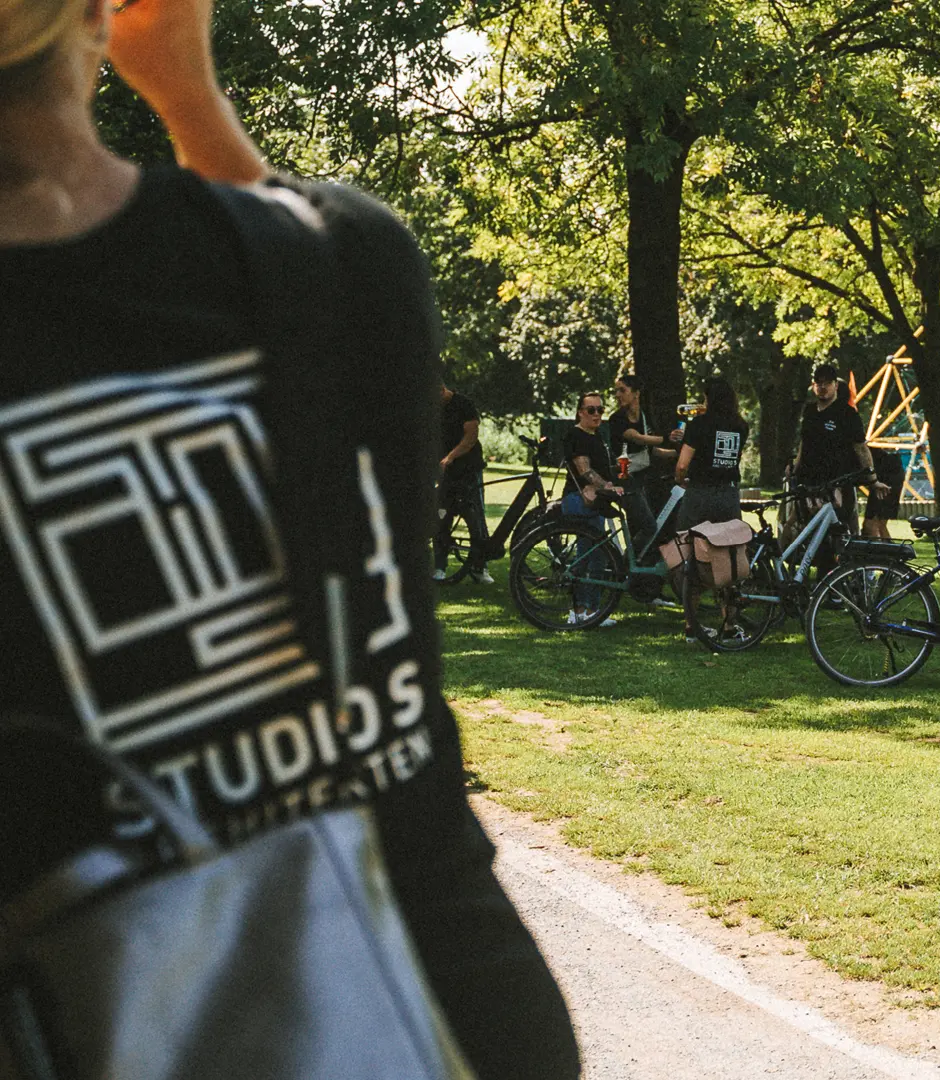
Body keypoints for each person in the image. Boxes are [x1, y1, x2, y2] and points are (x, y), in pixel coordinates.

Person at [0, 2, 579, 1077]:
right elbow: (269, 271)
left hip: (127, 1027)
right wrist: (186, 95)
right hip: (459, 1010)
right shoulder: (356, 260)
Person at [674, 376, 750, 641]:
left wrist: (680, 479)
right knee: (728, 557)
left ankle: (691, 624)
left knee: (689, 556)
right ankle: (728, 625)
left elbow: (683, 464)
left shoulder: (699, 425)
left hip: (700, 493)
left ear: (709, 398)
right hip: (728, 495)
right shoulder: (741, 426)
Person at [791, 363, 883, 528]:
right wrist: (794, 470)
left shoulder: (847, 414)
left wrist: (873, 480)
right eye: (818, 383)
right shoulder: (810, 411)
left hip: (837, 484)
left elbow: (861, 448)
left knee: (840, 530)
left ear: (836, 385)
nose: (822, 387)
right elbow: (803, 444)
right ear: (813, 386)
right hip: (809, 482)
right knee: (800, 526)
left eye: (827, 383)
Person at [562, 390, 624, 627]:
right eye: (591, 410)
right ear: (580, 412)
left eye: (600, 409)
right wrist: (607, 486)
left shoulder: (597, 436)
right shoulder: (576, 435)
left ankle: (592, 610)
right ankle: (579, 610)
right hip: (579, 500)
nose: (597, 414)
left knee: (598, 556)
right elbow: (584, 469)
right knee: (587, 555)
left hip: (596, 500)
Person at [608, 372, 680, 534]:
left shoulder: (645, 417)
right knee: (646, 526)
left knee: (655, 521)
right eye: (616, 391)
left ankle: (641, 557)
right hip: (625, 478)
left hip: (643, 477)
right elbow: (638, 438)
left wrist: (677, 455)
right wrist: (667, 437)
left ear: (636, 393)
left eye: (622, 390)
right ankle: (631, 558)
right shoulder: (617, 419)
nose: (618, 395)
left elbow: (649, 450)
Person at [435, 381, 492, 583]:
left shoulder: (464, 404)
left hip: (468, 468)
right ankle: (439, 566)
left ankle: (480, 566)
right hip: (445, 471)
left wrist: (451, 457)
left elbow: (470, 436)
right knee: (442, 515)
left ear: (442, 389)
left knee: (476, 514)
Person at [864, 446, 906, 538]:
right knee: (877, 524)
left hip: (886, 474)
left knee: (874, 524)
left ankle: (880, 549)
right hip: (889, 472)